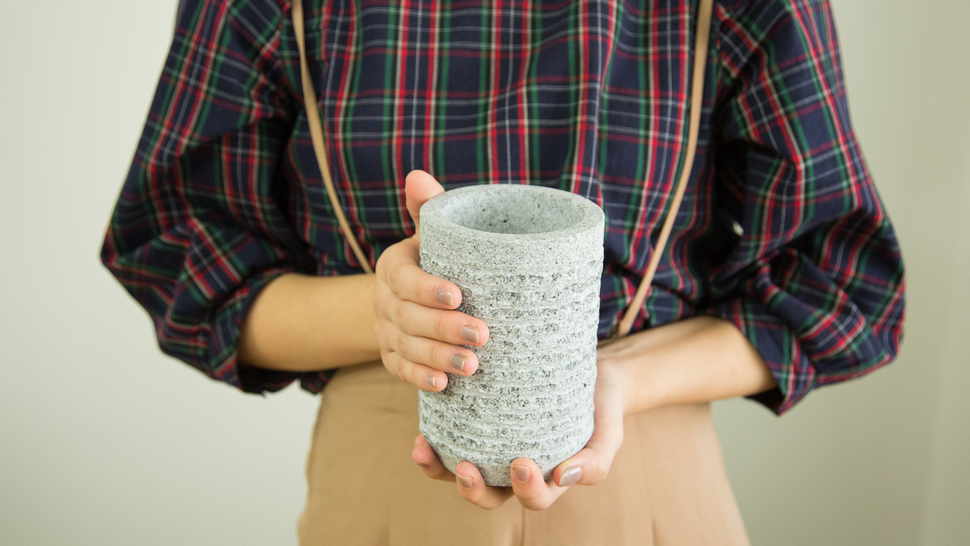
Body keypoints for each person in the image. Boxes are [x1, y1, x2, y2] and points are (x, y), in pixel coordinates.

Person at [101, 0, 905, 544]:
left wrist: (619, 382)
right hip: (386, 477)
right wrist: (386, 315)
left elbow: (840, 284)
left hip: (640, 474)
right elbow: (180, 251)